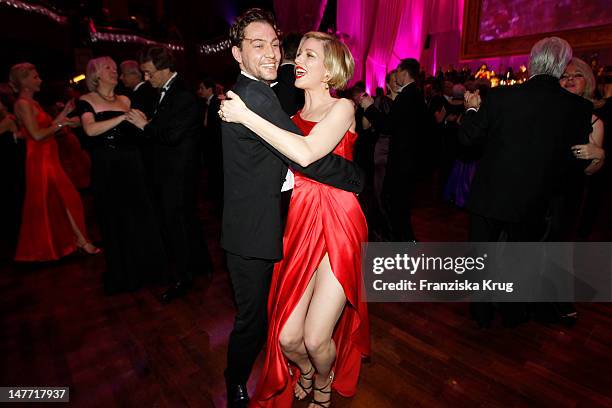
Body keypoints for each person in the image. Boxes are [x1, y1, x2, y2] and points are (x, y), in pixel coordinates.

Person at [218, 9, 365, 408]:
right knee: (286, 336)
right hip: (299, 220)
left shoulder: (343, 108)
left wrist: (245, 116)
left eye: (308, 56)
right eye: (297, 54)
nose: (294, 60)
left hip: (337, 219)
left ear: (330, 69)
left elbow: (306, 154)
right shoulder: (291, 115)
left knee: (317, 336)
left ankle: (323, 378)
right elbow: (289, 150)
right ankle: (306, 369)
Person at [458, 37, 592, 328]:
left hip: (490, 195)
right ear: (561, 65)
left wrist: (470, 110)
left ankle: (481, 313)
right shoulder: (577, 108)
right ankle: (514, 313)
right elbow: (573, 161)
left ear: (532, 62)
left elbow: (467, 140)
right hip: (535, 200)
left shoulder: (499, 97)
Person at [127, 46, 212, 303]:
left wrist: (145, 125)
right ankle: (199, 266)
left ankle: (184, 277)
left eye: (149, 73)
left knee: (176, 223)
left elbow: (172, 136)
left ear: (165, 69)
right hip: (175, 170)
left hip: (178, 171)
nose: (146, 78)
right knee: (186, 220)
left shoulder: (182, 94)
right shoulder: (168, 91)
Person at [77, 56, 166, 294]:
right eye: (108, 68)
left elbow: (140, 129)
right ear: (95, 74)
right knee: (114, 218)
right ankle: (124, 273)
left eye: (115, 68)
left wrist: (143, 123)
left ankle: (147, 269)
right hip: (107, 165)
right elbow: (90, 129)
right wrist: (121, 117)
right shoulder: (86, 100)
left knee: (139, 215)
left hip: (132, 162)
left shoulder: (126, 99)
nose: (114, 72)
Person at [10, 63, 100, 261]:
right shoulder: (23, 104)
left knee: (60, 200)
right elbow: (37, 135)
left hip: (49, 156)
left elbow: (48, 128)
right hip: (40, 159)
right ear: (24, 82)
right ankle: (81, 241)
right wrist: (61, 123)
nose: (40, 80)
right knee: (67, 198)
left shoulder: (32, 103)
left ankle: (74, 241)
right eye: (35, 77)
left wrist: (63, 116)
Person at [360, 58, 429, 242]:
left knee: (396, 206)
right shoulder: (417, 94)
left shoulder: (406, 97)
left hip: (401, 162)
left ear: (404, 73)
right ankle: (405, 242)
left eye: (397, 71)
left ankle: (404, 244)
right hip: (410, 161)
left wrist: (368, 108)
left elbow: (388, 126)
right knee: (400, 207)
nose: (395, 75)